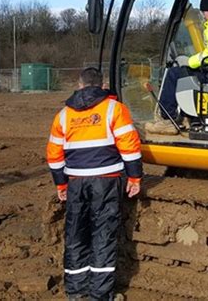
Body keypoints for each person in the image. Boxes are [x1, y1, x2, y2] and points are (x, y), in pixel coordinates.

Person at [46, 67, 142, 301]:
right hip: (106, 181)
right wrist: (134, 178)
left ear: (79, 85)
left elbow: (54, 155)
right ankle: (100, 295)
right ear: (102, 85)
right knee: (103, 235)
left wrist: (61, 185)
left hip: (76, 182)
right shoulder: (114, 109)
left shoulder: (63, 115)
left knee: (76, 234)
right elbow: (129, 147)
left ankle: (76, 292)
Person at [146, 0, 208, 135]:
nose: (204, 15)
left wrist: (191, 61)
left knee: (174, 74)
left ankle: (167, 119)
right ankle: (187, 118)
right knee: (185, 74)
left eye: (205, 11)